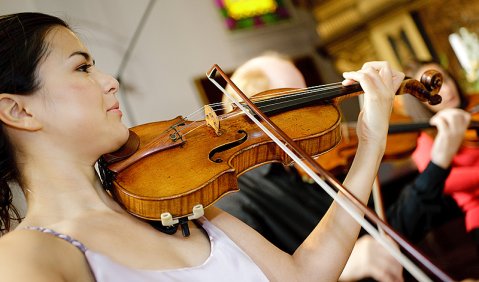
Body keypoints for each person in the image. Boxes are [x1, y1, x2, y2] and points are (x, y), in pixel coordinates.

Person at [0, 12, 404, 281]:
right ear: (17, 111)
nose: (110, 81)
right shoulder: (26, 255)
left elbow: (303, 275)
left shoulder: (170, 198)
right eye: (82, 67)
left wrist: (371, 142)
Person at [215, 54, 473, 281]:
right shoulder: (232, 202)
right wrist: (342, 267)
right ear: (254, 111)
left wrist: (438, 162)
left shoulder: (305, 171)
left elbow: (389, 233)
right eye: (299, 95)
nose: (318, 106)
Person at [390, 60, 478, 246]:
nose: (446, 90)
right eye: (434, 89)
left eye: (444, 80)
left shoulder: (475, 103)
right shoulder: (424, 139)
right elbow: (445, 181)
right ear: (421, 100)